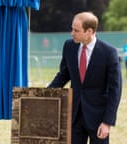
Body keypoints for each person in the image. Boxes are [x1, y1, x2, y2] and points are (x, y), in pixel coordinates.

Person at [47, 12, 122, 144]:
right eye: (72, 29)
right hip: (74, 116)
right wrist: (45, 94)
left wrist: (107, 122)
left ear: (89, 31)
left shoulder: (109, 53)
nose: (72, 33)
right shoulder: (69, 46)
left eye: (76, 30)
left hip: (98, 118)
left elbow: (115, 89)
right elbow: (63, 75)